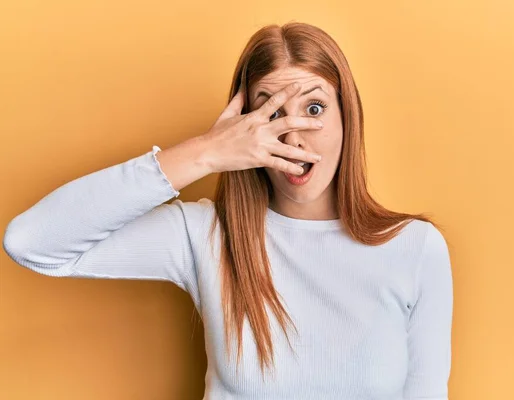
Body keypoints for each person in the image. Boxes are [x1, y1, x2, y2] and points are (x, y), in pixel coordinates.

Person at [3, 22, 453, 399]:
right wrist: (205, 153)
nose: (294, 139)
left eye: (313, 108)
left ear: (347, 117)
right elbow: (33, 243)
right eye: (272, 115)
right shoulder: (207, 237)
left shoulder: (415, 250)